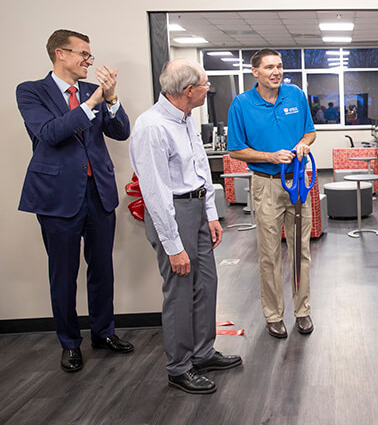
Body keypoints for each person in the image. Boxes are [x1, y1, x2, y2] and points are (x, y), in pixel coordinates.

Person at [17, 29, 134, 372]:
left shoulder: (93, 93)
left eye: (89, 55)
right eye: (83, 54)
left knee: (102, 269)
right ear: (60, 54)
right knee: (63, 274)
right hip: (57, 198)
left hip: (98, 193)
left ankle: (103, 332)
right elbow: (50, 133)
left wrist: (111, 99)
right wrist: (92, 103)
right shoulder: (31, 91)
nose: (88, 61)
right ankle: (70, 343)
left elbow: (121, 131)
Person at [130, 59, 242, 394]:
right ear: (189, 90)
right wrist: (173, 244)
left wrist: (210, 213)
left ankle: (203, 353)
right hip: (172, 214)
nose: (210, 90)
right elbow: (155, 192)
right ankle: (179, 367)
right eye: (206, 85)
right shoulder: (151, 127)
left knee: (206, 284)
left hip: (196, 209)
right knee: (179, 292)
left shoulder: (187, 118)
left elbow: (200, 169)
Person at [227, 49, 317, 339]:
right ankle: (273, 315)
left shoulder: (295, 95)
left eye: (279, 66)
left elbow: (310, 132)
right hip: (266, 183)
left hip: (298, 183)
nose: (276, 72)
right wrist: (269, 156)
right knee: (269, 254)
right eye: (269, 67)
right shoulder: (241, 104)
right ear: (255, 72)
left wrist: (304, 144)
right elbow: (236, 149)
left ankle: (302, 311)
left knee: (301, 250)